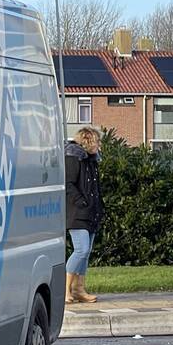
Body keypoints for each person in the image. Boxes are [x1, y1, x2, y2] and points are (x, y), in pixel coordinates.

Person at [64, 126, 106, 303]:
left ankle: (79, 289)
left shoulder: (91, 161)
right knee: (81, 249)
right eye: (97, 141)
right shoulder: (74, 158)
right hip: (77, 212)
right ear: (88, 141)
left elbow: (94, 188)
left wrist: (97, 206)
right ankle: (66, 290)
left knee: (86, 252)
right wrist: (82, 202)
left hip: (91, 212)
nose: (99, 145)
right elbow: (68, 184)